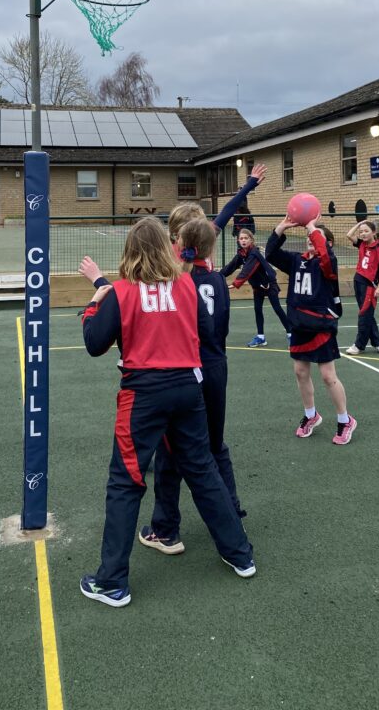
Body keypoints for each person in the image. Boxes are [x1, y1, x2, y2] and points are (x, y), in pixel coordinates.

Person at [79, 217, 255, 608]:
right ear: (165, 247)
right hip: (187, 389)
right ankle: (239, 553)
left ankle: (111, 582)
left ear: (130, 251)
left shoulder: (122, 293)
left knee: (125, 481)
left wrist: (95, 302)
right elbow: (208, 332)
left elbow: (94, 343)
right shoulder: (187, 286)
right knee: (202, 468)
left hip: (143, 392)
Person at [139, 216, 245, 555]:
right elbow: (221, 328)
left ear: (181, 245)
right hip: (217, 366)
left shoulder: (177, 283)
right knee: (216, 446)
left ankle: (165, 528)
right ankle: (232, 513)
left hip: (189, 369)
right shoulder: (217, 280)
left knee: (170, 454)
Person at [265, 214, 357, 445]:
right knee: (300, 372)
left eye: (315, 237)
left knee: (327, 376)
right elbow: (271, 254)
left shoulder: (328, 264)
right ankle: (311, 415)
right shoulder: (296, 261)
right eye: (308, 236)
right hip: (300, 326)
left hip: (321, 325)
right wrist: (281, 227)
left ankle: (345, 420)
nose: (310, 238)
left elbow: (325, 255)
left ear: (328, 243)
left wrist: (312, 226)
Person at [167, 163, 267, 267]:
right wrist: (249, 185)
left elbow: (228, 210)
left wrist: (249, 186)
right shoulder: (205, 238)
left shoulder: (166, 254)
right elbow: (228, 210)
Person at [221, 227, 291, 347]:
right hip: (257, 286)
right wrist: (216, 276)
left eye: (246, 238)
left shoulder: (254, 253)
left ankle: (291, 334)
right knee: (257, 310)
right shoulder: (241, 254)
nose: (243, 240)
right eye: (241, 238)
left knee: (277, 309)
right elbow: (230, 267)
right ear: (238, 241)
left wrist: (235, 284)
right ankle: (261, 337)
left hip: (269, 284)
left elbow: (247, 270)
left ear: (251, 240)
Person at [345, 219, 379, 355]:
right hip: (358, 281)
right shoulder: (361, 245)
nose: (363, 234)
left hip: (370, 285)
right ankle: (378, 342)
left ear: (374, 232)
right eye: (361, 232)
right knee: (367, 313)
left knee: (364, 314)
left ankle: (359, 345)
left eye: (366, 231)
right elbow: (348, 235)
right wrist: (360, 224)